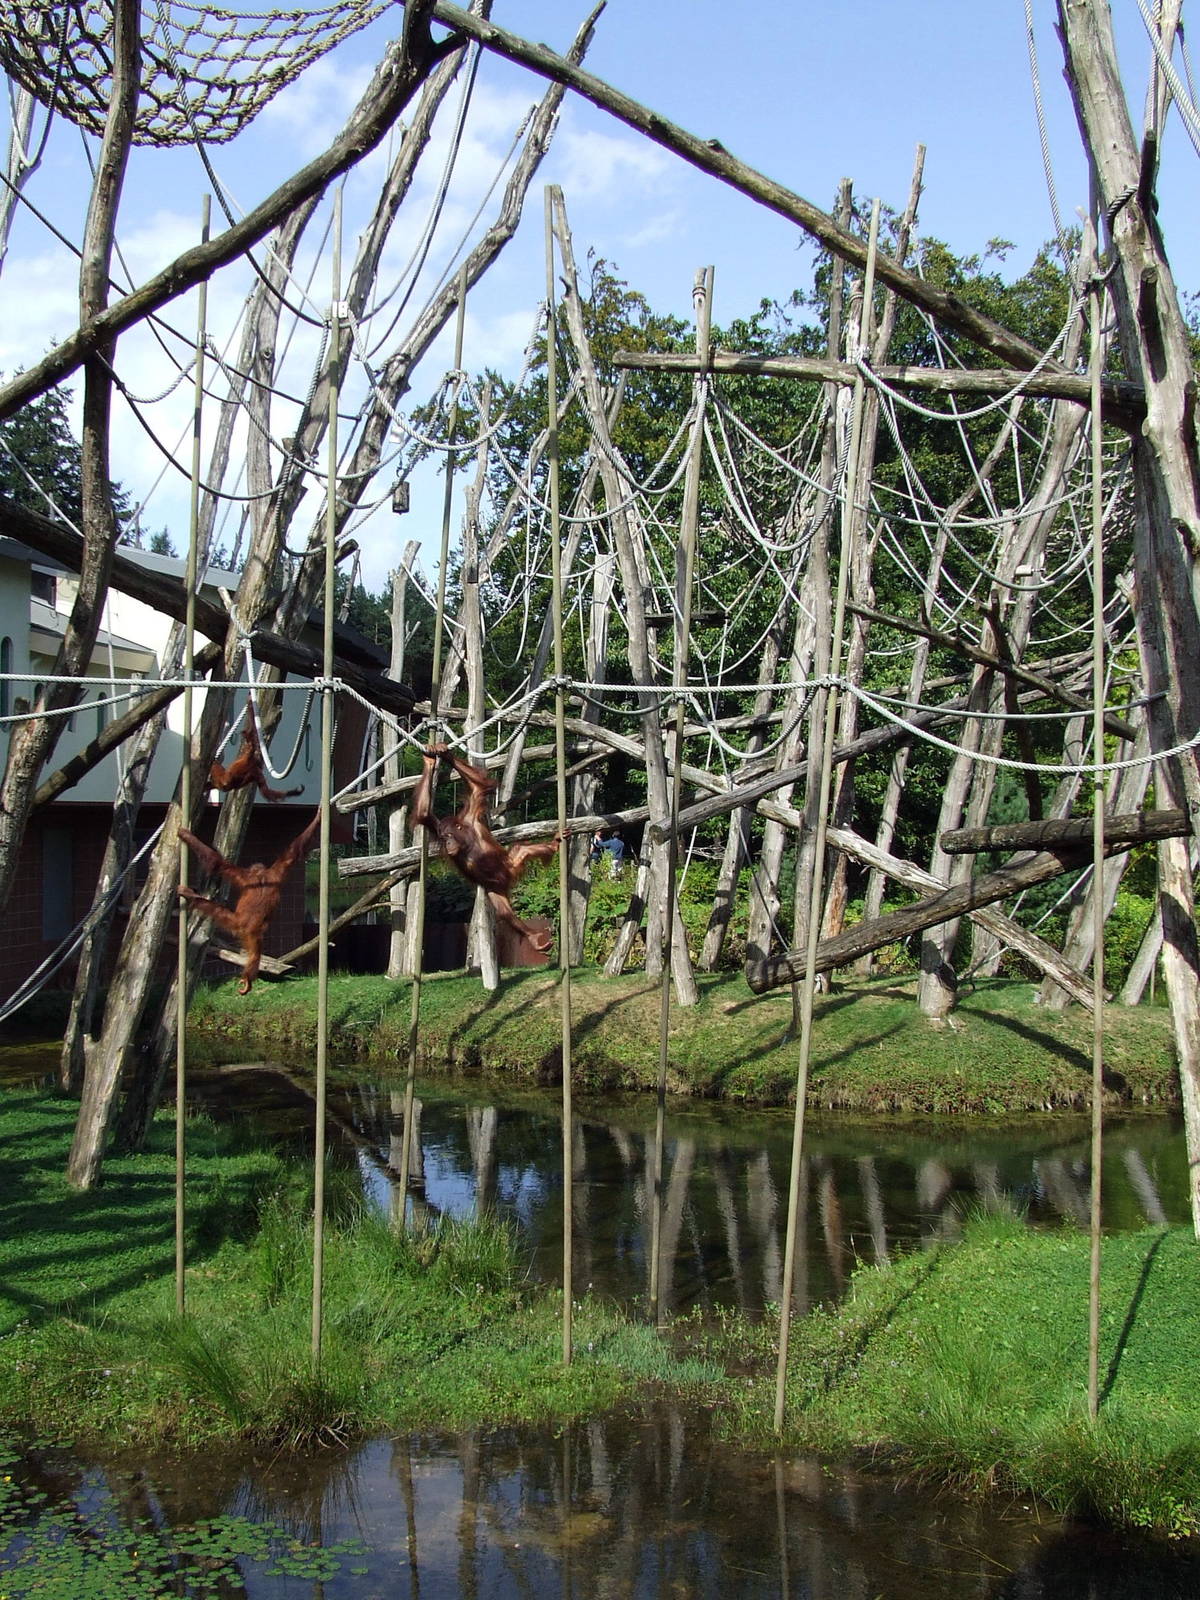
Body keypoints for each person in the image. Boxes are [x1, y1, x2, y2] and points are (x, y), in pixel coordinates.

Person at [411, 744, 560, 952]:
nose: (447, 843)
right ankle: (531, 935)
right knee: (503, 912)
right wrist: (428, 768)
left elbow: (479, 785)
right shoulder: (446, 834)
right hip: (491, 884)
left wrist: (450, 758)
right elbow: (422, 813)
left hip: (508, 865)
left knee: (522, 850)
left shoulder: (470, 820)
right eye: (444, 839)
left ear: (459, 827)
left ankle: (552, 847)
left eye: (449, 838)